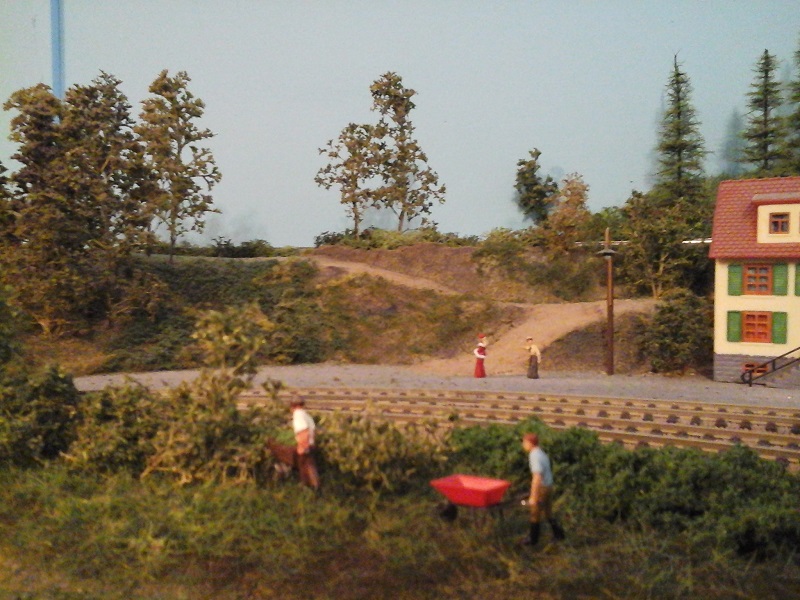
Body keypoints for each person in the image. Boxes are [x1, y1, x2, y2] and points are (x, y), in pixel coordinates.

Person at [521, 432, 565, 546]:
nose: (523, 445)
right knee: (548, 512)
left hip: (542, 488)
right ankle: (559, 534)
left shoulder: (534, 455)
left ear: (530, 443)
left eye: (524, 442)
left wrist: (533, 497)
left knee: (535, 513)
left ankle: (533, 539)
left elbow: (537, 477)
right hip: (549, 486)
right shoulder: (541, 453)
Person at [290, 398, 320, 491]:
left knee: (305, 468)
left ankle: (310, 489)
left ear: (292, 406)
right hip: (310, 444)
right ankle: (314, 488)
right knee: (310, 467)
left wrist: (302, 447)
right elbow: (313, 431)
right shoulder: (306, 415)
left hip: (305, 445)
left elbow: (304, 431)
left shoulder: (298, 415)